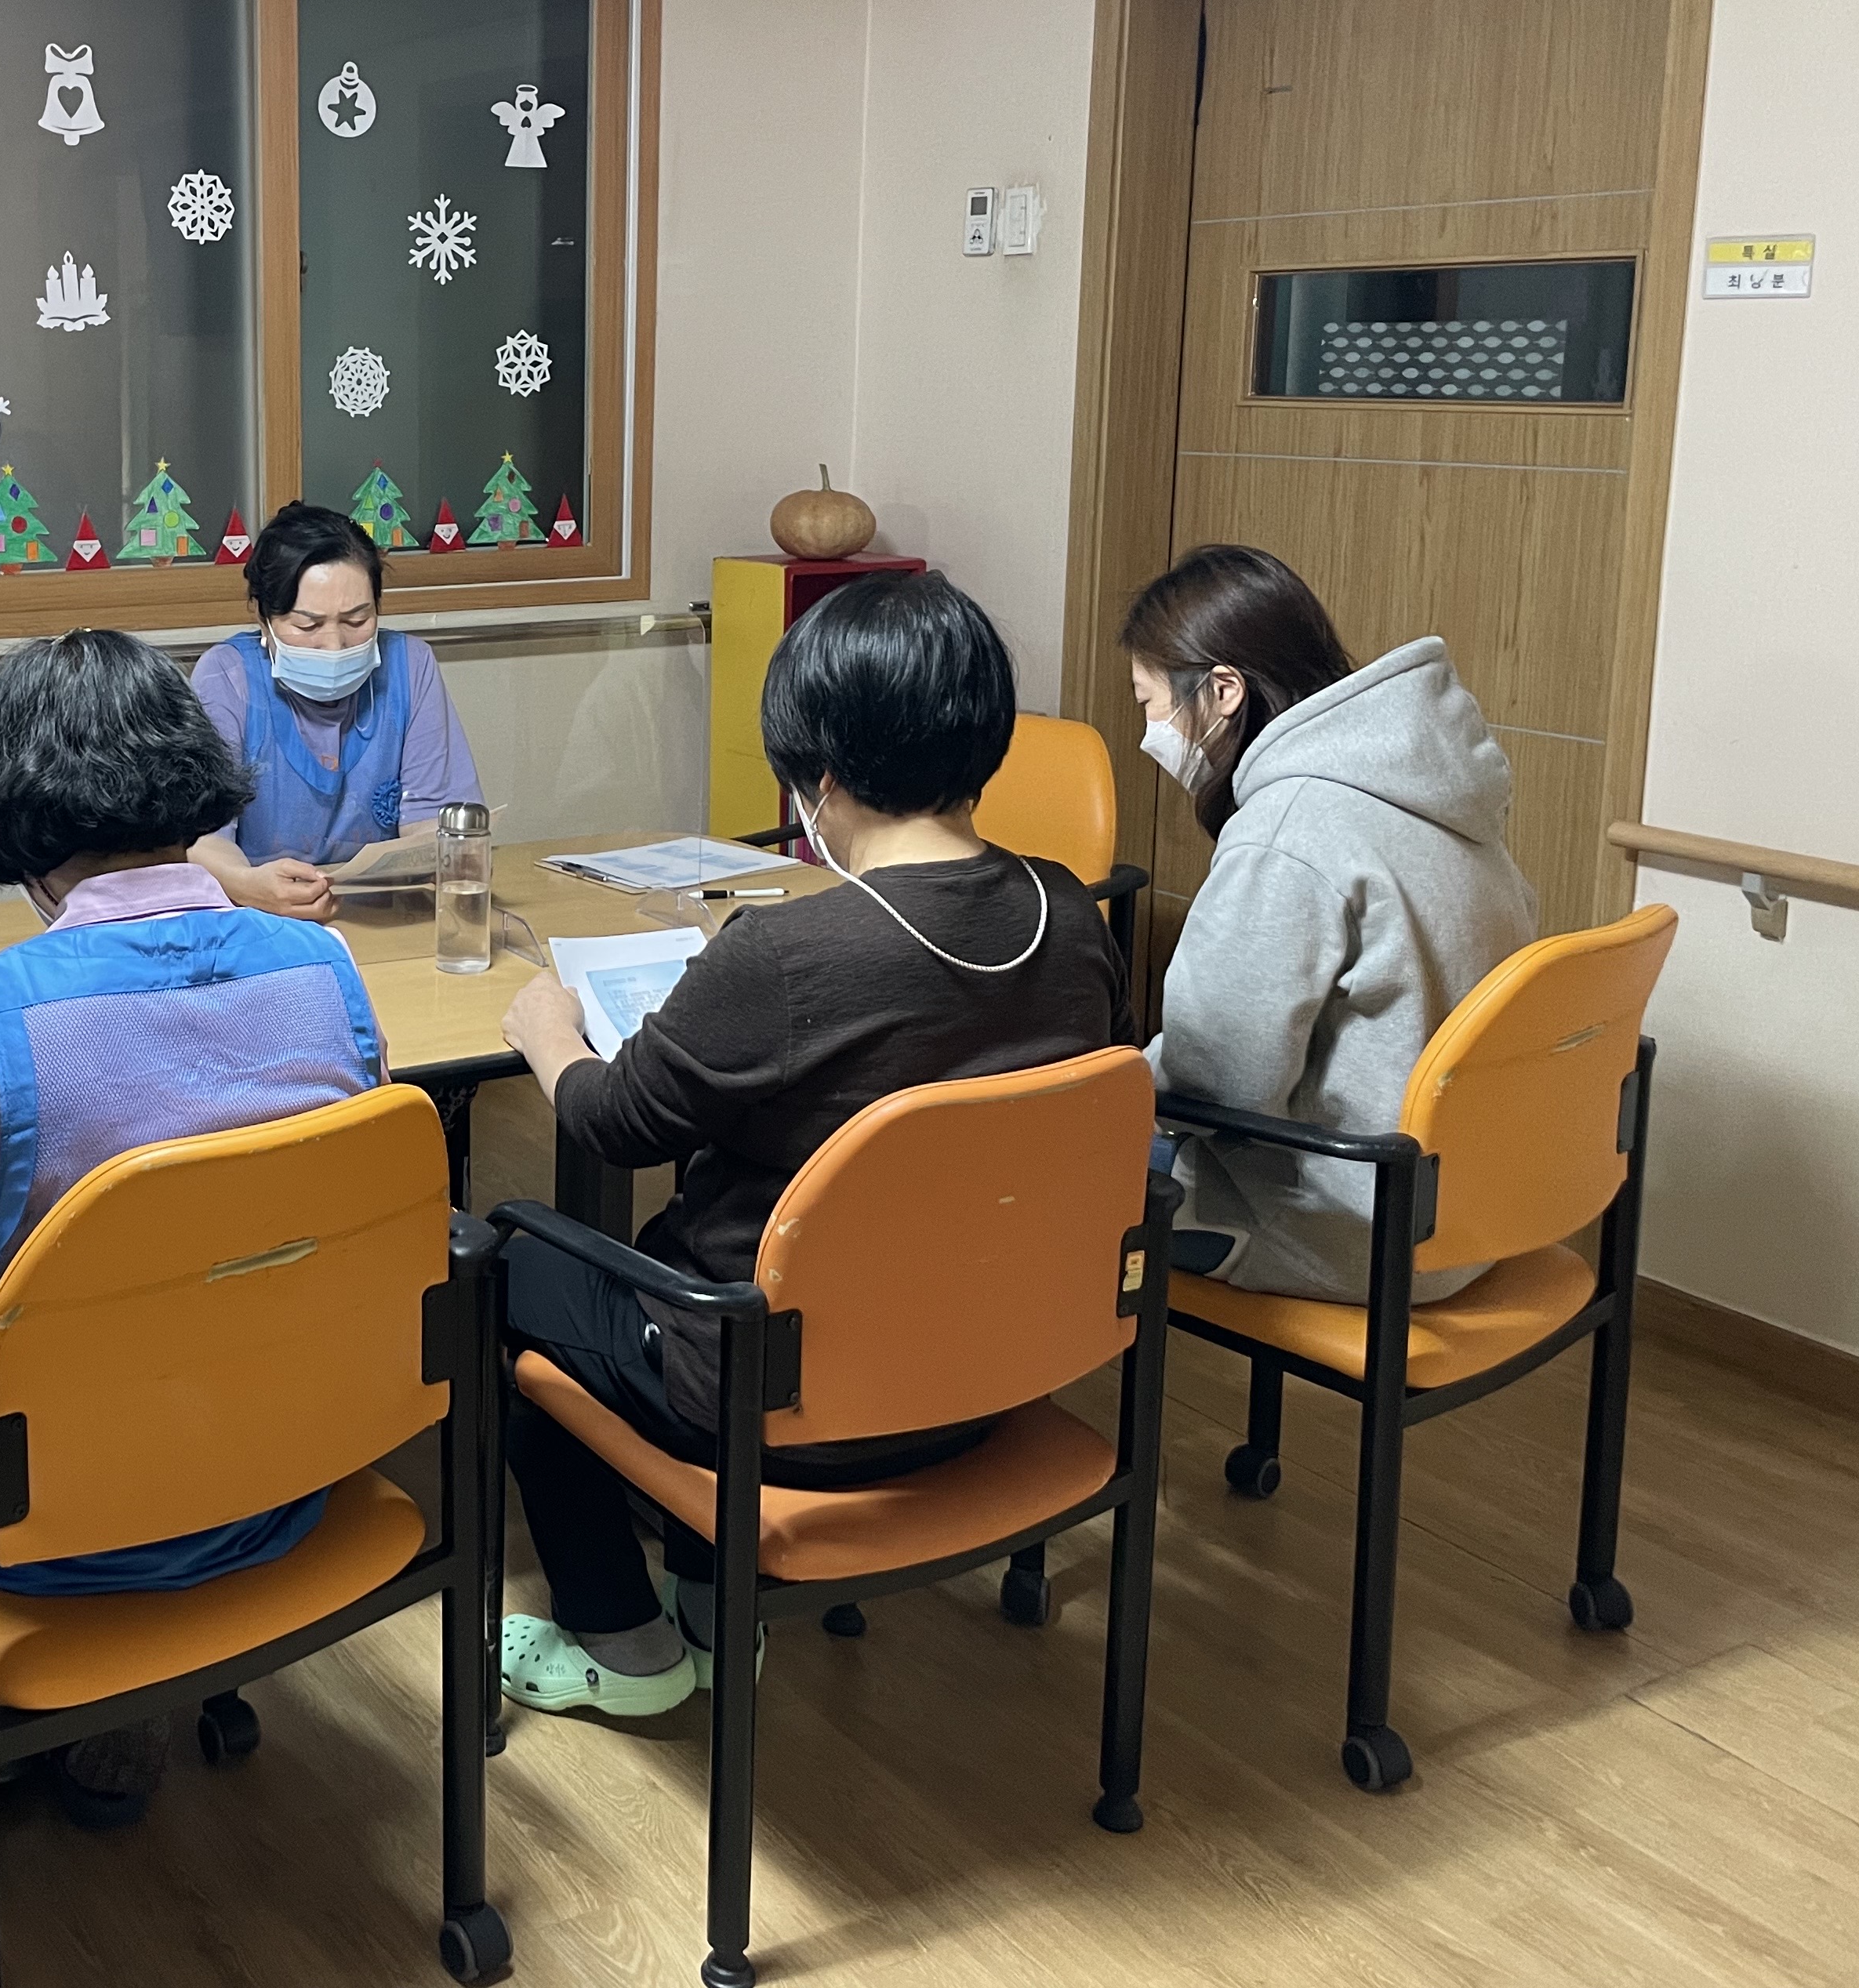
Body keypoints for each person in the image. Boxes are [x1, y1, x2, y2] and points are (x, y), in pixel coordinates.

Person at [0, 628, 384, 1890]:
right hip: (280, 1458)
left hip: (34, 1516)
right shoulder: (325, 968)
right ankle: (119, 1734)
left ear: (14, 817)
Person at [492, 572, 1133, 1719]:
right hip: (990, 1371)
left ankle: (622, 1640)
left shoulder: (785, 956)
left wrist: (548, 1030)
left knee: (511, 1263)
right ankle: (711, 1605)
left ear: (821, 782)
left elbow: (611, 1121)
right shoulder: (1070, 915)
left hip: (787, 1410)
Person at [1123, 543, 1536, 1304]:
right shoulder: (1440, 793)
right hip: (1477, 1212)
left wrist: (1109, 1090)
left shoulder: (1288, 832)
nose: (1148, 729)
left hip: (1352, 1232)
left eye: (1148, 701)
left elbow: (1220, 1087)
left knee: (1042, 1178)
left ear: (1222, 691)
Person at [188, 501, 484, 921]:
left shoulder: (410, 667)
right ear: (264, 618)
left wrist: (455, 855)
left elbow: (434, 822)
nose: (335, 645)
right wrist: (246, 884)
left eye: (357, 620)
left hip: (385, 919)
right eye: (308, 626)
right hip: (258, 921)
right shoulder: (227, 678)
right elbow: (201, 837)